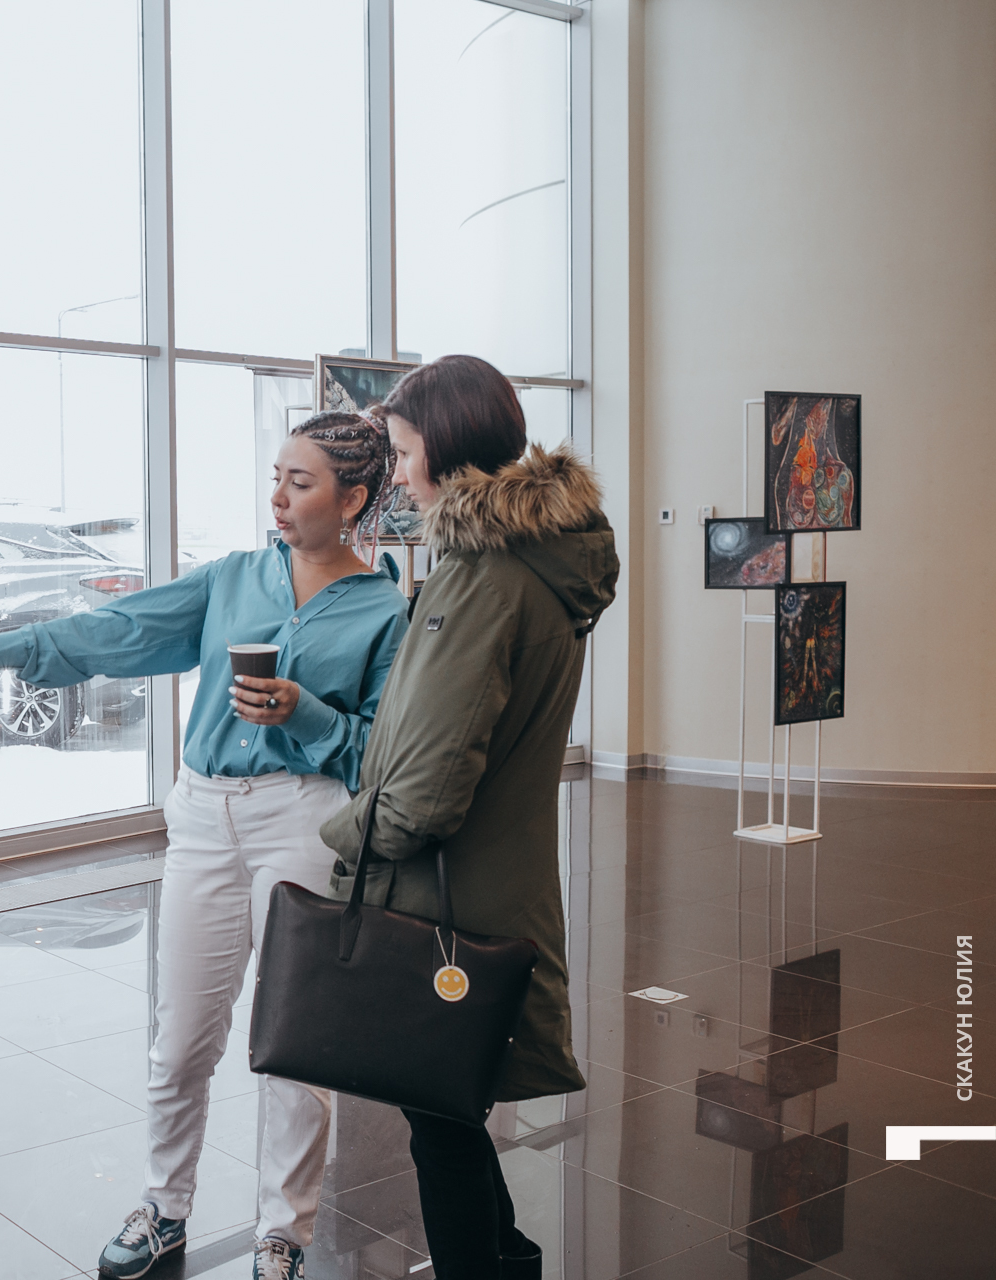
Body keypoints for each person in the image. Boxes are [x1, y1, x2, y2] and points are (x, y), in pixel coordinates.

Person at [0, 412, 409, 1280]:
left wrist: (303, 712)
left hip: (304, 819)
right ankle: (164, 1210)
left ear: (351, 500)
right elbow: (116, 631)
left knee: (295, 1045)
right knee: (180, 1038)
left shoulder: (385, 611)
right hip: (203, 816)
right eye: (276, 477)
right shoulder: (234, 578)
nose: (278, 498)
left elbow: (380, 750)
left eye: (301, 482)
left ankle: (284, 1235)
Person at [318, 355, 618, 1280]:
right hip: (498, 878)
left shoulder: (481, 577)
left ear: (446, 450)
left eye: (406, 452)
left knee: (440, 1121)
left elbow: (432, 782)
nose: (400, 474)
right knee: (449, 1110)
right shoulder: (533, 562)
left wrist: (351, 838)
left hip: (447, 894)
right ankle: (509, 1256)